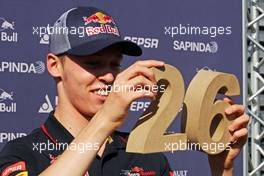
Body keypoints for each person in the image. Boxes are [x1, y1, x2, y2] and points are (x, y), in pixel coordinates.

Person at [0, 6, 249, 176]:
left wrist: (222, 169)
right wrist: (105, 120)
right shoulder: (25, 152)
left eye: (115, 64)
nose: (108, 75)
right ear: (55, 65)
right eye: (93, 63)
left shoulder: (145, 157)